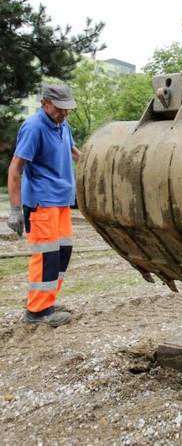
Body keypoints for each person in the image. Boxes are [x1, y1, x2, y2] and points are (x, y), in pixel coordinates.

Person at [6, 84, 81, 327]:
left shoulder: (62, 123)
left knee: (62, 253)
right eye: (60, 109)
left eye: (67, 109)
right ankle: (36, 311)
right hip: (41, 202)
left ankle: (47, 301)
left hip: (61, 201)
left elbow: (71, 149)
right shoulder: (34, 127)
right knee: (47, 255)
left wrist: (92, 159)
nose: (64, 113)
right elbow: (15, 168)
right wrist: (15, 209)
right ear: (45, 103)